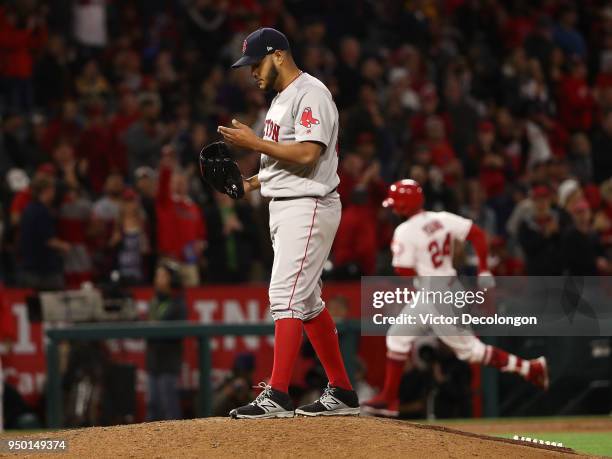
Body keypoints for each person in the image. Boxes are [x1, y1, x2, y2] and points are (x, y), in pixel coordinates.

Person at [218, 27, 359, 418]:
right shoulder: (281, 100)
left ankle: (277, 393)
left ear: (278, 54)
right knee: (308, 302)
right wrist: (249, 183)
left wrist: (254, 144)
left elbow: (309, 154)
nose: (251, 72)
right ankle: (343, 393)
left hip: (308, 205)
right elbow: (283, 160)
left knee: (285, 298)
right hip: (285, 205)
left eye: (255, 63)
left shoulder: (311, 93)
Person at [362, 180, 549, 418]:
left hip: (438, 294)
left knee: (471, 351)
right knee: (396, 338)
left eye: (395, 204)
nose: (393, 208)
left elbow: (403, 271)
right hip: (441, 288)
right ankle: (389, 400)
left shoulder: (404, 231)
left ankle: (530, 368)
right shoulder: (441, 218)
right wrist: (483, 269)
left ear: (403, 205)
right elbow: (478, 234)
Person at [145, 261, 187, 421]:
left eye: (162, 276)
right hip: (153, 362)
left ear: (172, 279)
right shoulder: (154, 302)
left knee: (169, 407)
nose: (157, 280)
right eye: (157, 276)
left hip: (168, 364)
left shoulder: (178, 304)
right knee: (152, 406)